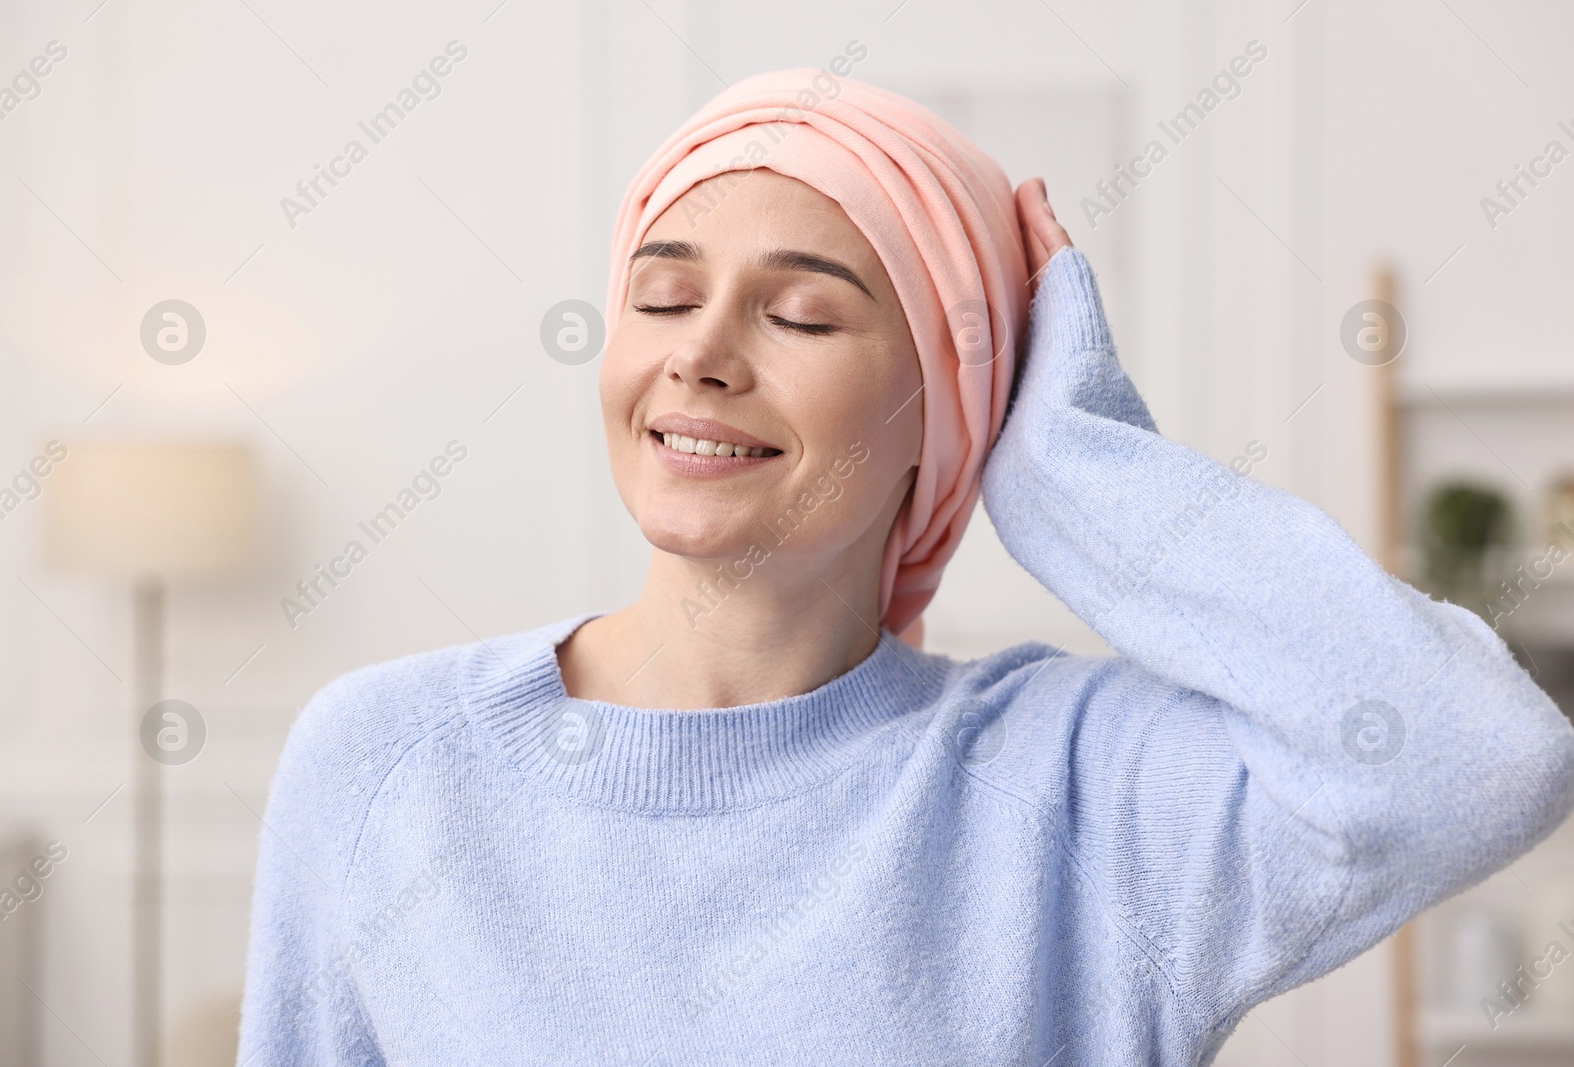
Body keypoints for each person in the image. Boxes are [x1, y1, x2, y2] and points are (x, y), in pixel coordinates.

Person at [237, 68, 1574, 1065]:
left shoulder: (1074, 793)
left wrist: (1073, 468)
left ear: (946, 403)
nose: (700, 351)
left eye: (804, 311)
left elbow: (1477, 754)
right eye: (659, 294)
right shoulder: (386, 762)